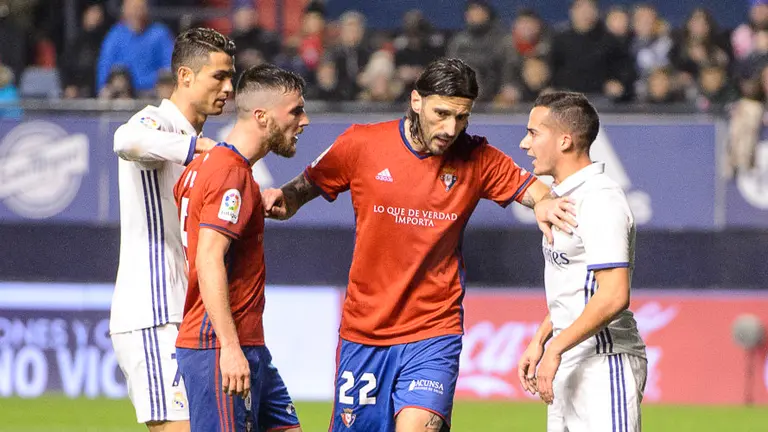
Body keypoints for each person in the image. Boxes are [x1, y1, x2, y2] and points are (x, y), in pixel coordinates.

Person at [262, 57, 575, 432]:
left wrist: (545, 204)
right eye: (441, 113)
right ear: (416, 101)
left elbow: (537, 192)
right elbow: (302, 189)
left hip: (433, 330)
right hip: (365, 333)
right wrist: (280, 200)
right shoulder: (361, 143)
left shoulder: (478, 157)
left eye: (462, 117)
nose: (450, 128)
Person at [109, 27, 235, 431]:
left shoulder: (198, 138)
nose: (229, 88)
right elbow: (124, 140)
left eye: (231, 77)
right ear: (185, 76)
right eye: (219, 76)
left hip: (185, 312)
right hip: (153, 311)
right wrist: (197, 148)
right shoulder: (156, 122)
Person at [173, 64, 309, 432]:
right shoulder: (230, 174)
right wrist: (230, 349)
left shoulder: (207, 167)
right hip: (219, 346)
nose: (305, 120)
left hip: (247, 344)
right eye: (295, 111)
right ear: (262, 116)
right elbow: (209, 257)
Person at [516, 91, 647, 432]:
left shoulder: (600, 200)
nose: (523, 144)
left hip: (604, 361)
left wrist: (556, 346)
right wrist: (543, 337)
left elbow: (614, 294)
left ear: (564, 140)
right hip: (570, 356)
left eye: (533, 133)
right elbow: (578, 286)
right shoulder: (562, 199)